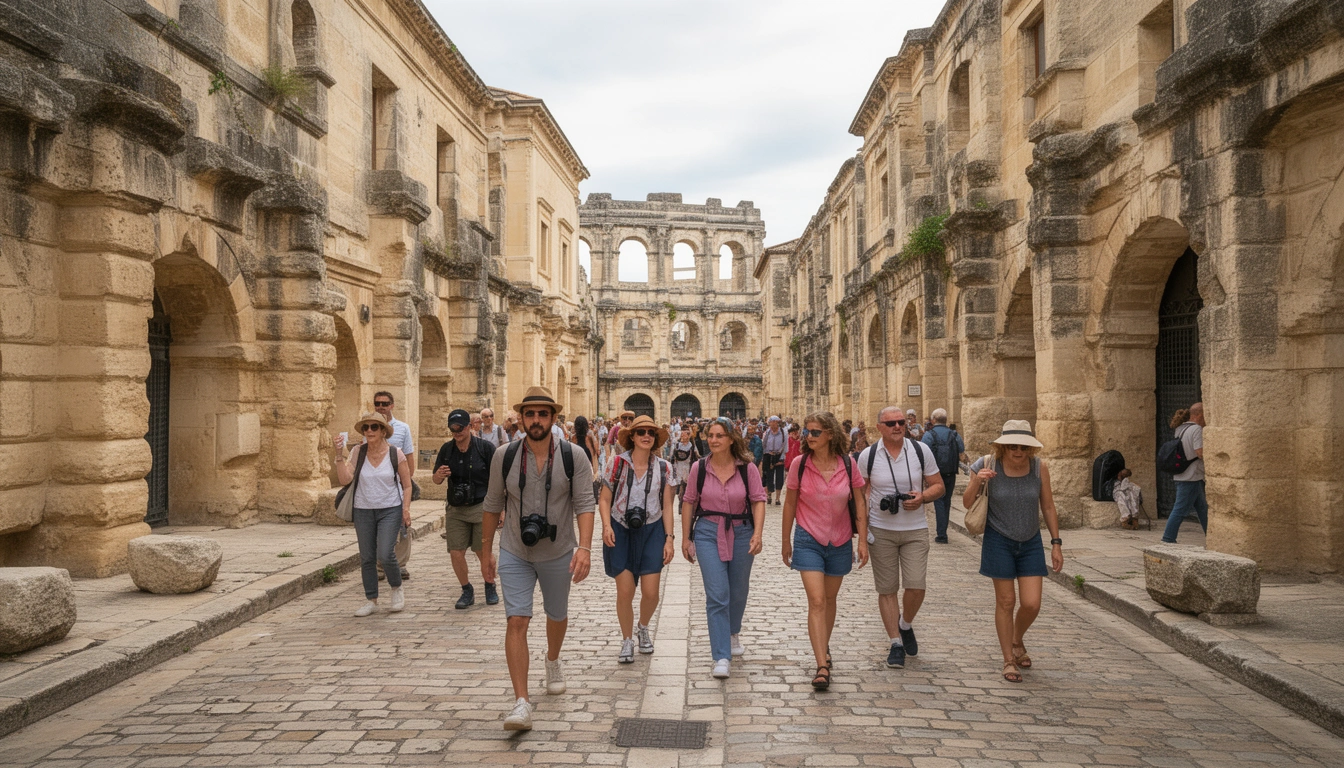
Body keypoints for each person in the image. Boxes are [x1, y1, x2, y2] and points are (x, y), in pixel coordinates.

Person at [481, 387, 595, 731]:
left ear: (553, 418)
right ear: (522, 418)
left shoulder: (574, 456)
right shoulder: (506, 455)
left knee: (556, 615)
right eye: (529, 414)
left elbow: (585, 504)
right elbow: (491, 504)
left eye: (542, 414)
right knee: (517, 620)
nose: (535, 420)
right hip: (515, 548)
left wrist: (585, 548)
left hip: (558, 550)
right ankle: (521, 702)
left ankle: (553, 659)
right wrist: (486, 551)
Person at [963, 420, 1063, 683]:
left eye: (1023, 446)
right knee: (1006, 601)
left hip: (1030, 541)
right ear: (1002, 447)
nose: (1018, 451)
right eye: (1012, 446)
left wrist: (1056, 543)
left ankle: (1017, 639)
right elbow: (966, 502)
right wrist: (977, 482)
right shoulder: (986, 464)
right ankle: (1009, 659)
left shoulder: (1039, 468)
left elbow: (1049, 506)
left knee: (1031, 603)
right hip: (998, 540)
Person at [782, 412, 868, 691]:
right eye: (807, 432)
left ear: (830, 434)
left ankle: (824, 646)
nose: (809, 436)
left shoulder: (848, 464)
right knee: (817, 600)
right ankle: (821, 664)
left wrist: (863, 541)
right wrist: (786, 541)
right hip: (808, 537)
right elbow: (790, 504)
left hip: (840, 539)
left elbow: (859, 503)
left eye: (815, 432)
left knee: (830, 600)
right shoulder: (800, 464)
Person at [857, 406, 944, 670]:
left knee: (917, 585)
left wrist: (923, 497)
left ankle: (905, 624)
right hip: (881, 530)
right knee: (887, 589)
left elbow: (938, 485)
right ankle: (895, 643)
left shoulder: (920, 451)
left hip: (915, 529)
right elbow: (860, 496)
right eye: (891, 422)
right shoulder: (868, 456)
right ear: (879, 427)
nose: (897, 426)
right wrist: (862, 535)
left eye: (901, 422)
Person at [681, 418, 767, 679]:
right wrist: (686, 538)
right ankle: (721, 655)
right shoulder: (699, 468)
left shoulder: (747, 468)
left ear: (731, 439)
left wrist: (758, 533)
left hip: (741, 531)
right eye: (711, 435)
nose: (714, 440)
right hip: (708, 531)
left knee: (738, 590)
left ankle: (732, 631)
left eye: (720, 435)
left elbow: (759, 500)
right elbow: (688, 501)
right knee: (717, 593)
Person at [601, 415, 676, 663]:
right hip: (620, 528)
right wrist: (605, 526)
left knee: (651, 592)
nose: (647, 436)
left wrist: (669, 539)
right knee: (625, 591)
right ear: (631, 436)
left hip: (652, 529)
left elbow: (667, 505)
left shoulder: (665, 468)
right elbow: (604, 499)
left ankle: (643, 627)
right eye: (641, 432)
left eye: (651, 433)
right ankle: (626, 639)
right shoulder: (617, 464)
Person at [333, 412, 413, 617]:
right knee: (367, 557)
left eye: (374, 427)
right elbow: (344, 480)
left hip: (390, 509)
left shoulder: (396, 453)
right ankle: (372, 600)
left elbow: (407, 485)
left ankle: (396, 588)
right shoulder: (358, 452)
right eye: (366, 427)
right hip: (363, 510)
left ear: (383, 431)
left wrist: (405, 509)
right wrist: (338, 456)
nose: (369, 431)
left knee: (385, 553)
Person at [432, 409, 498, 608]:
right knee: (456, 551)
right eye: (453, 429)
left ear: (470, 426)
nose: (457, 432)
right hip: (456, 509)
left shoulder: (485, 449)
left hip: (481, 507)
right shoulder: (446, 450)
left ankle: (490, 584)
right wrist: (440, 475)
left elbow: (497, 480)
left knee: (482, 551)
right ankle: (466, 589)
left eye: (460, 428)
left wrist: (500, 510)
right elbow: (435, 480)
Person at [1162, 403, 1206, 543]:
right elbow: (1199, 452)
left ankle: (1211, 536)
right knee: (1180, 509)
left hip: (1185, 474)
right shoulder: (1196, 429)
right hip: (1191, 476)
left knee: (1202, 509)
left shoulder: (1181, 428)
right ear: (1200, 414)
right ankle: (1168, 539)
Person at [921, 408, 966, 544]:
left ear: (933, 420)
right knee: (947, 501)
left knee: (939, 502)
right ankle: (943, 530)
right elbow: (962, 452)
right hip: (950, 473)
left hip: (935, 474)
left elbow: (923, 453)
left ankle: (942, 534)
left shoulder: (929, 435)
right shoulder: (954, 434)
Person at [669, 425, 699, 504]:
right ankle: (681, 500)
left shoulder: (691, 446)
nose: (683, 436)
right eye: (682, 434)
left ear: (688, 436)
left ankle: (684, 501)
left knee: (686, 486)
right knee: (680, 486)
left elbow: (696, 455)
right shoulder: (677, 445)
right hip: (678, 468)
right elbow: (672, 456)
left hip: (688, 468)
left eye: (685, 434)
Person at [761, 416, 787, 505]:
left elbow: (785, 446)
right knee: (769, 476)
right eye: (770, 422)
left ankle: (777, 498)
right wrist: (766, 454)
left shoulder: (783, 432)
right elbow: (764, 444)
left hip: (779, 456)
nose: (772, 424)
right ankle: (769, 495)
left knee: (779, 476)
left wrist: (781, 457)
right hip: (769, 456)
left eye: (773, 422)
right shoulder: (767, 432)